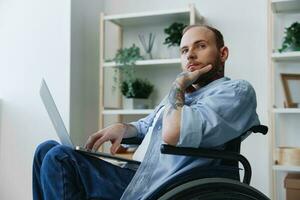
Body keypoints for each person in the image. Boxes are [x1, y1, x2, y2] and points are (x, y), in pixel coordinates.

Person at [32, 24, 260, 200]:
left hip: (164, 185)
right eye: (184, 50)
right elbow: (149, 125)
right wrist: (123, 128)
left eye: (200, 46)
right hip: (139, 175)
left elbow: (173, 133)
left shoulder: (236, 91)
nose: (190, 55)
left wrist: (178, 85)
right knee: (46, 150)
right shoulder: (182, 94)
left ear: (223, 54)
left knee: (59, 158)